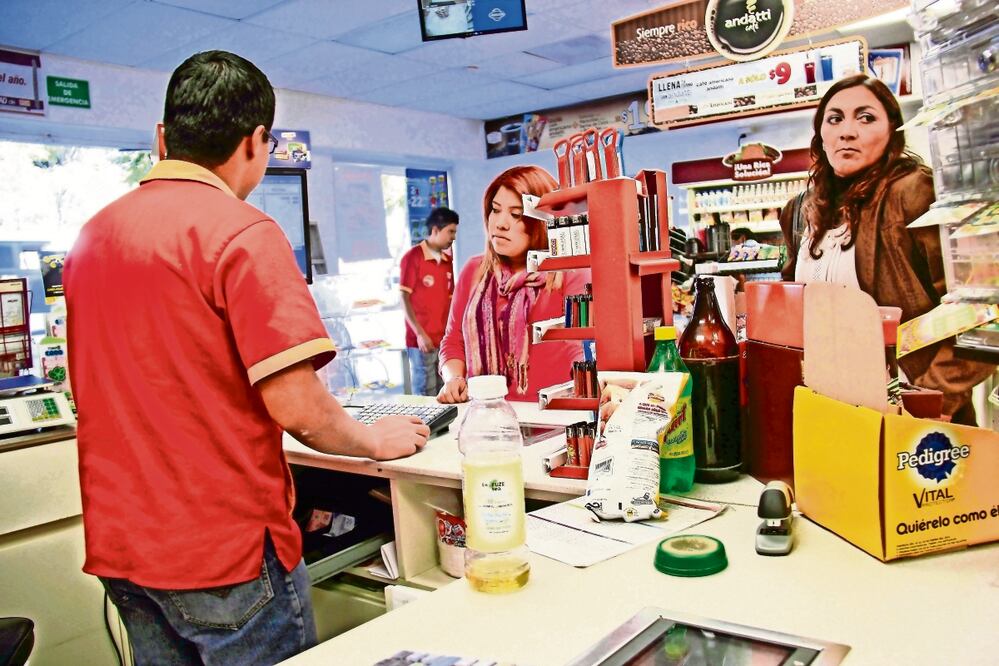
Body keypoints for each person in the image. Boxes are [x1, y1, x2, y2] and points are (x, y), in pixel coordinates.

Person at [64, 51, 429, 666]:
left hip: (124, 545)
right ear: (258, 142)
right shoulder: (242, 233)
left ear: (162, 137)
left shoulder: (93, 237)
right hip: (221, 548)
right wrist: (373, 441)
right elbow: (299, 410)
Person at [779, 74, 994, 425]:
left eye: (866, 118)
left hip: (913, 419)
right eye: (834, 119)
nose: (847, 131)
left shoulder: (914, 194)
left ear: (892, 130)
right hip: (828, 410)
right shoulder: (800, 212)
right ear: (821, 134)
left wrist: (928, 403)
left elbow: (983, 313)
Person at [437, 165, 590, 403]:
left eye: (516, 214)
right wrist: (453, 378)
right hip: (484, 412)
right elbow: (453, 340)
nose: (500, 224)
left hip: (550, 419)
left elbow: (578, 347)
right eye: (495, 210)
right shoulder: (474, 270)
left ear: (542, 220)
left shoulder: (569, 272)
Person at [400, 207, 458, 396]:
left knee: (444, 392)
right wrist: (419, 334)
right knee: (426, 393)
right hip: (421, 341)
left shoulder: (447, 261)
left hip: (443, 340)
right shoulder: (413, 257)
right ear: (435, 230)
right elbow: (404, 298)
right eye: (450, 231)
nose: (453, 237)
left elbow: (452, 299)